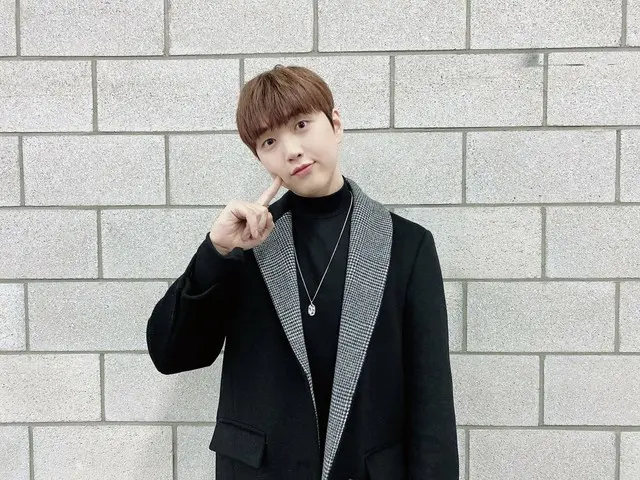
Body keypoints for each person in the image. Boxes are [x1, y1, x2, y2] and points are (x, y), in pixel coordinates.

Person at [146, 65, 458, 480]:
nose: (291, 150)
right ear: (260, 157)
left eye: (301, 125)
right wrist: (215, 251)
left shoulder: (407, 245)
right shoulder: (246, 244)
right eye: (269, 141)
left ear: (336, 124)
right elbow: (171, 355)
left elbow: (431, 398)